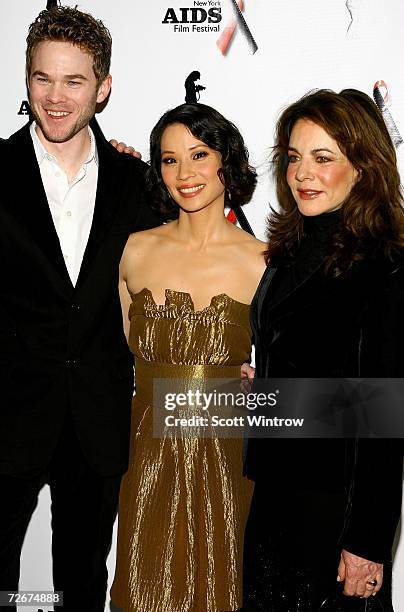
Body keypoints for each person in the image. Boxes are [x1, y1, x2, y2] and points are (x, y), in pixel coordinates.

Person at [0, 6, 158, 611]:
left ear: (103, 87)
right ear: (26, 80)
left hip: (98, 419)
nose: (56, 97)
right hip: (5, 417)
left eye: (74, 81)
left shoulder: (136, 182)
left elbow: (196, 256)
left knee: (83, 583)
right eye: (44, 79)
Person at [243, 89, 404, 611]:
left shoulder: (385, 264)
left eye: (322, 158)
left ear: (362, 166)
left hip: (336, 511)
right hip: (274, 497)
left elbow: (383, 415)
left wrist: (367, 542)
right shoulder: (291, 248)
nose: (302, 174)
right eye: (293, 158)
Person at [110, 103, 267, 612]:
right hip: (148, 457)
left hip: (227, 459)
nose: (185, 174)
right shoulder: (134, 250)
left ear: (228, 161)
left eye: (199, 155)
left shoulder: (265, 260)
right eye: (169, 160)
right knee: (144, 586)